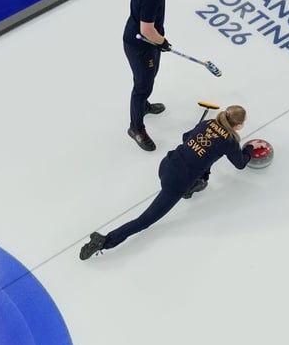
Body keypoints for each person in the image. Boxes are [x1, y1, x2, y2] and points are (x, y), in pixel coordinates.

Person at [80, 105, 254, 260]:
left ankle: (192, 186)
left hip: (166, 165)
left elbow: (186, 137)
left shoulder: (207, 123)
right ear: (238, 125)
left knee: (204, 163)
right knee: (144, 220)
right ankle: (104, 241)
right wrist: (248, 150)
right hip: (176, 183)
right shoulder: (229, 142)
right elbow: (240, 164)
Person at [123, 0, 186, 151]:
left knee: (148, 79)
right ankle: (136, 128)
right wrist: (162, 42)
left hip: (146, 40)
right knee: (142, 87)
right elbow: (146, 29)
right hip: (142, 44)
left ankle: (143, 107)